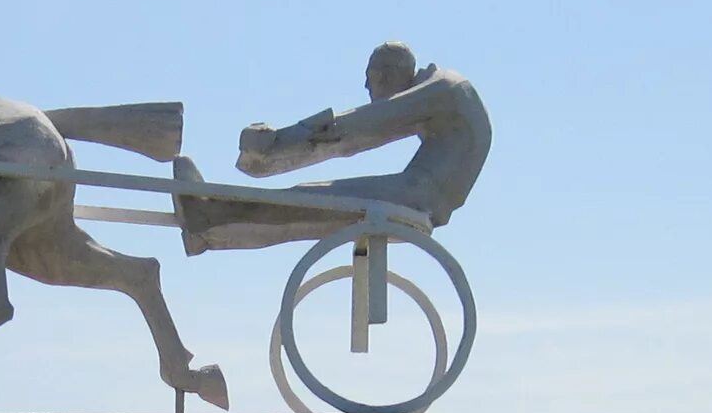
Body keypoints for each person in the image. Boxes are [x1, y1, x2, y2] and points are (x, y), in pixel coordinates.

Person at [176, 41, 492, 254]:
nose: (367, 87)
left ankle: (209, 217)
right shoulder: (442, 92)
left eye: (372, 77)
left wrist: (273, 146)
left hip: (417, 196)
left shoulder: (444, 89)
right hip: (422, 196)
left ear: (390, 74)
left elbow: (358, 130)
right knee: (306, 210)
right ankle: (207, 231)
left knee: (307, 199)